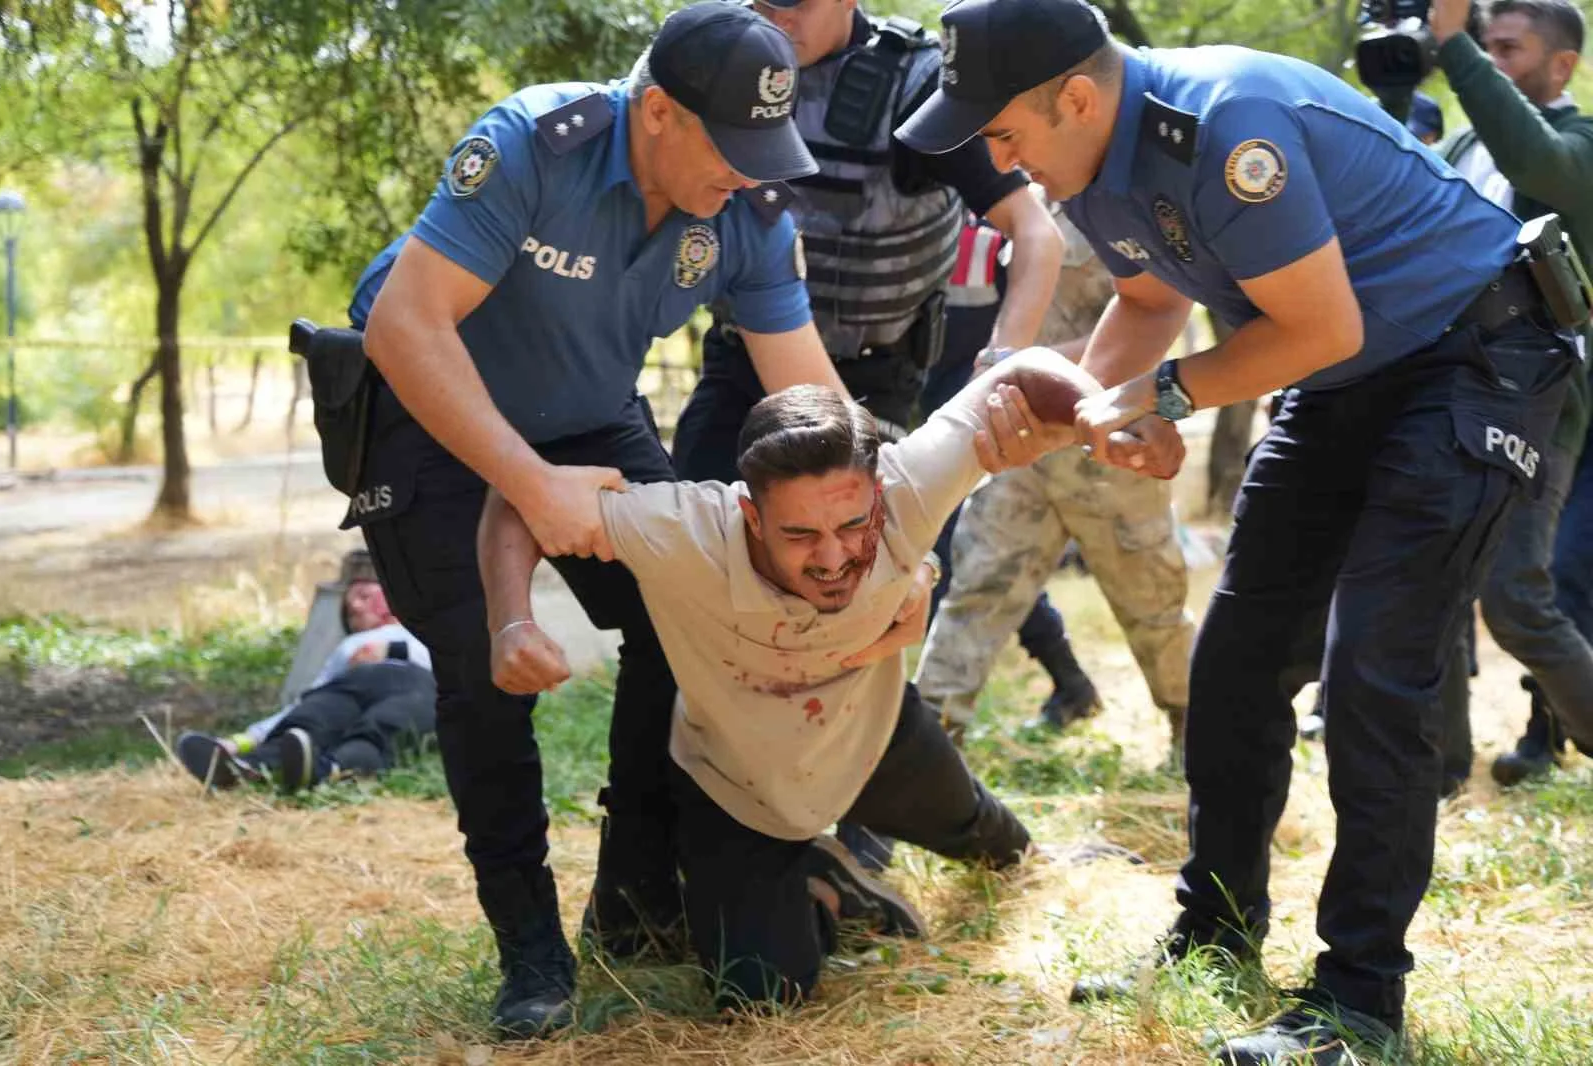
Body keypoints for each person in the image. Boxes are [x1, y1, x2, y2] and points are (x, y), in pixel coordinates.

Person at [898, 1, 1581, 1063]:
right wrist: (1091, 408)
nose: (999, 161)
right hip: (1346, 369)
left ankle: (1359, 1004)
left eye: (1002, 132)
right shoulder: (1092, 163)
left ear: (1075, 97)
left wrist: (1162, 399)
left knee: (1375, 675)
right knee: (1236, 666)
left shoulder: (1222, 125)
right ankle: (1214, 934)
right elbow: (1147, 298)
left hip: (1471, 355)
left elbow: (1319, 325)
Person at [345, 3, 850, 1040]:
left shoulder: (747, 215)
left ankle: (632, 889)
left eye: (768, 152)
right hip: (431, 407)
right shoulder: (536, 144)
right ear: (658, 112)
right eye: (733, 148)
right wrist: (530, 483)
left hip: (587, 413)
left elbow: (810, 402)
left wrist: (888, 517)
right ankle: (530, 948)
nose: (751, 175)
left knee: (684, 614)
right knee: (487, 673)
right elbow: (405, 320)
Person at [477, 350, 1167, 1009]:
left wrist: (1096, 414)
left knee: (997, 846)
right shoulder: (682, 529)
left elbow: (1020, 373)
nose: (834, 556)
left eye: (853, 523)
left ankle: (962, 841)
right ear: (750, 515)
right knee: (759, 996)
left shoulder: (910, 482)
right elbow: (525, 501)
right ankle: (831, 884)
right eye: (801, 534)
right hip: (741, 786)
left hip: (877, 738)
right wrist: (511, 623)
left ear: (878, 493)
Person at [669, 0, 1064, 483]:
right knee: (700, 530)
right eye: (762, 1)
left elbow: (1036, 232)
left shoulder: (919, 87)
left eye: (797, 3)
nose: (777, 18)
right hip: (740, 360)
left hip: (870, 378)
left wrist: (997, 370)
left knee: (868, 543)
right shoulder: (717, 50)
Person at [916, 203, 1195, 754]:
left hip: (1111, 447)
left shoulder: (1136, 201)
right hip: (1025, 449)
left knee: (1152, 604)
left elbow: (1156, 319)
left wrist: (1022, 367)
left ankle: (1196, 728)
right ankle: (927, 744)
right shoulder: (1031, 196)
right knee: (978, 586)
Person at [1430, 0, 1593, 786]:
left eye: (1507, 48)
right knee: (1429, 593)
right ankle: (1440, 768)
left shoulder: (1582, 144)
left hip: (1539, 403)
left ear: (1561, 65)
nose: (1490, 59)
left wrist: (1453, 45)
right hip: (1441, 395)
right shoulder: (1464, 143)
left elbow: (1535, 163)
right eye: (1483, 46)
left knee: (1517, 597)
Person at [175, 578, 436, 793]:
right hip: (349, 684)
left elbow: (458, 659)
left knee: (380, 727)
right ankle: (245, 768)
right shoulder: (347, 648)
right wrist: (242, 740)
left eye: (365, 595)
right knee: (310, 718)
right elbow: (305, 702)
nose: (355, 606)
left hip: (418, 683)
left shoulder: (428, 627)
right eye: (350, 611)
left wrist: (392, 649)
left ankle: (328, 770)